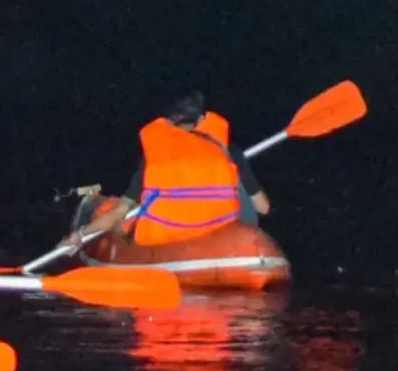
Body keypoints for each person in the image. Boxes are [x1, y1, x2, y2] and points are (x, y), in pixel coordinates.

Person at [74, 95, 273, 254]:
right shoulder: (228, 151)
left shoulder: (156, 157)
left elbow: (119, 212)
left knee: (119, 220)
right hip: (220, 230)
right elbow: (263, 208)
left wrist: (81, 234)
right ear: (202, 119)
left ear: (168, 122)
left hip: (168, 235)